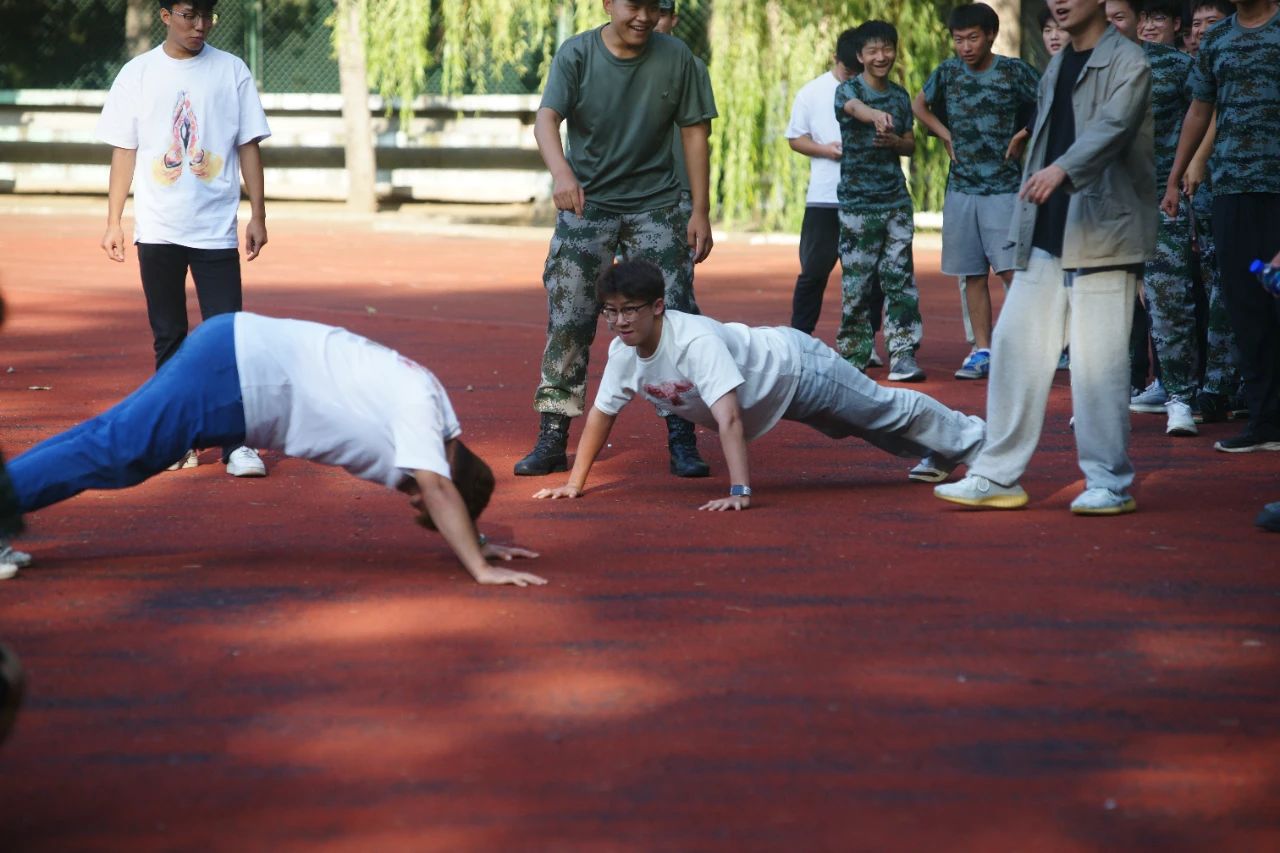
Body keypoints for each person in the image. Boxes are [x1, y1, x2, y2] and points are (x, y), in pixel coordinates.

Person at [6, 313, 546, 587]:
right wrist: (479, 568)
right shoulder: (422, 415)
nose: (414, 501)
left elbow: (442, 488)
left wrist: (476, 537)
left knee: (109, 445)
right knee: (115, 451)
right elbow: (437, 486)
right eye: (423, 505)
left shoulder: (429, 407)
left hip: (234, 364)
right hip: (233, 375)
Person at [531, 260, 987, 509]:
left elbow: (728, 417)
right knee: (858, 426)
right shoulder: (622, 353)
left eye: (630, 309)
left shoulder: (694, 341)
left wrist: (739, 490)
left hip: (798, 369)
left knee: (878, 410)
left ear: (658, 306)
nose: (620, 321)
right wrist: (575, 484)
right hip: (776, 394)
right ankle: (942, 449)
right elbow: (602, 414)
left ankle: (977, 439)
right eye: (611, 311)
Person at [935, 0, 1155, 515]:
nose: (1059, 2)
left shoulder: (1129, 61)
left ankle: (1108, 482)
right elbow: (1042, 141)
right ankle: (996, 475)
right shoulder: (1057, 62)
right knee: (1013, 347)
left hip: (1103, 231)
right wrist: (1028, 208)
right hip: (1046, 230)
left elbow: (1113, 128)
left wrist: (1062, 170)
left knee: (1098, 366)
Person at [516, 0, 717, 480]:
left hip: (658, 205)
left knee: (673, 318)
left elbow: (695, 132)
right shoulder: (577, 54)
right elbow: (546, 119)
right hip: (588, 204)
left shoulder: (678, 58)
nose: (643, 16)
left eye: (654, 6)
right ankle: (553, 434)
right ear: (608, 3)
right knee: (570, 315)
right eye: (633, 4)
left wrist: (700, 210)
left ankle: (682, 434)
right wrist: (562, 173)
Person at [97, 0, 271, 478]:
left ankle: (237, 443)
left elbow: (248, 146)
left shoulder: (231, 70)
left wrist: (257, 215)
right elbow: (124, 151)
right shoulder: (137, 74)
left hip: (215, 230)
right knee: (169, 338)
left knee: (227, 339)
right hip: (158, 230)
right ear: (165, 15)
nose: (200, 25)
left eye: (207, 16)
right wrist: (114, 220)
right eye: (189, 14)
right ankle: (178, 441)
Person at [1162, 0, 1280, 452]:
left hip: (1277, 190)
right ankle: (1265, 421)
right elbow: (1199, 109)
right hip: (1231, 189)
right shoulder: (1217, 39)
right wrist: (1176, 175)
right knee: (1246, 302)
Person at [913, 3, 1040, 381]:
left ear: (990, 36)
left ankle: (1030, 346)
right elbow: (919, 105)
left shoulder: (1014, 72)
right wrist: (945, 134)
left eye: (972, 38)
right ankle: (982, 349)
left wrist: (1023, 134)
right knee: (971, 274)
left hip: (1003, 187)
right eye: (958, 40)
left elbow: (1051, 101)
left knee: (1012, 271)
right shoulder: (947, 72)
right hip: (961, 188)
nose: (965, 47)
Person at [1110, 0, 1203, 436]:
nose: (1112, 26)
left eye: (1119, 17)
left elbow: (1204, 115)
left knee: (1169, 303)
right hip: (1107, 207)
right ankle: (1109, 397)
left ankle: (1180, 397)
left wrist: (1181, 176)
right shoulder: (1085, 69)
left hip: (1160, 201)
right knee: (1108, 308)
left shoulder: (1175, 66)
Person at [785, 29, 886, 366]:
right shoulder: (812, 92)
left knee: (869, 275)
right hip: (825, 197)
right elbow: (795, 138)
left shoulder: (877, 90)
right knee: (814, 271)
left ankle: (865, 342)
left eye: (858, 73)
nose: (852, 79)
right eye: (847, 72)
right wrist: (825, 150)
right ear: (836, 60)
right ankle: (799, 339)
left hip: (867, 196)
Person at [833, 21, 926, 383]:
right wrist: (875, 116)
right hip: (858, 205)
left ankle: (903, 354)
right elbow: (855, 108)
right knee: (857, 285)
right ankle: (854, 356)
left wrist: (896, 143)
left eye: (886, 49)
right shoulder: (847, 90)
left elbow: (910, 143)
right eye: (872, 50)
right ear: (860, 56)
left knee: (900, 280)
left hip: (895, 202)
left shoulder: (901, 96)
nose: (881, 56)